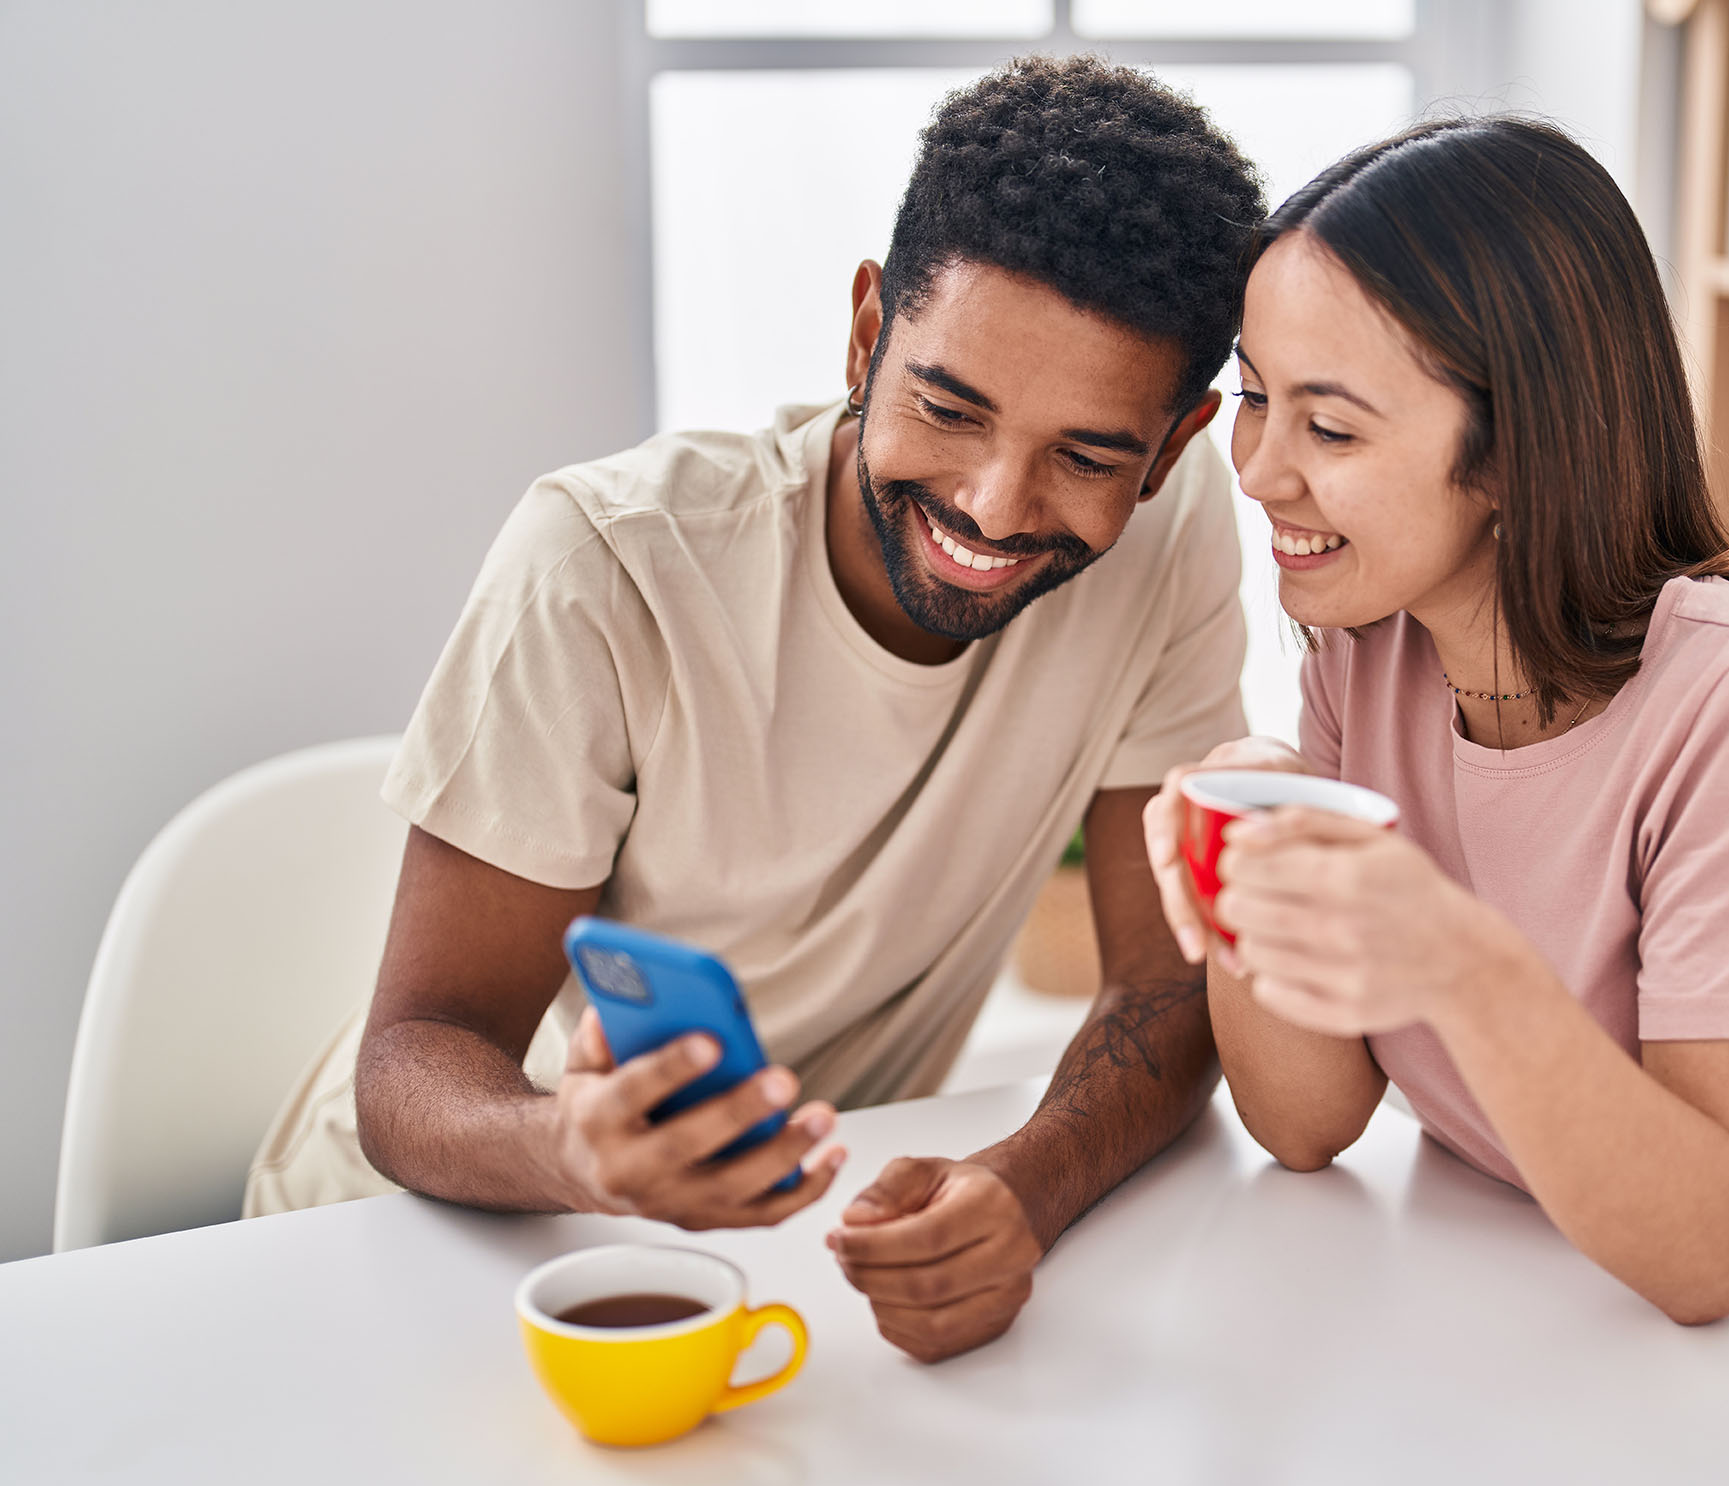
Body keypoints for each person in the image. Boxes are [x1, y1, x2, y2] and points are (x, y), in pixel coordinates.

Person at [245, 55, 1268, 1364]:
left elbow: (1164, 979)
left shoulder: (1166, 534)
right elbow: (409, 1067)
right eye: (947, 407)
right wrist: (576, 1146)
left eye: (1085, 456)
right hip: (413, 1245)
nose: (997, 507)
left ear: (1173, 445)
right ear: (863, 333)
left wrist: (1025, 1178)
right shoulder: (608, 563)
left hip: (768, 1261)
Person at [1142, 117, 1729, 1471]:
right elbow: (1303, 1118)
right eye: (1254, 394)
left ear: (1508, 451)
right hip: (1562, 1372)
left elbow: (1709, 1251)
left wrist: (1454, 960)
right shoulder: (1366, 650)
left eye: (1326, 422)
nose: (1257, 467)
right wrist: (1254, 806)